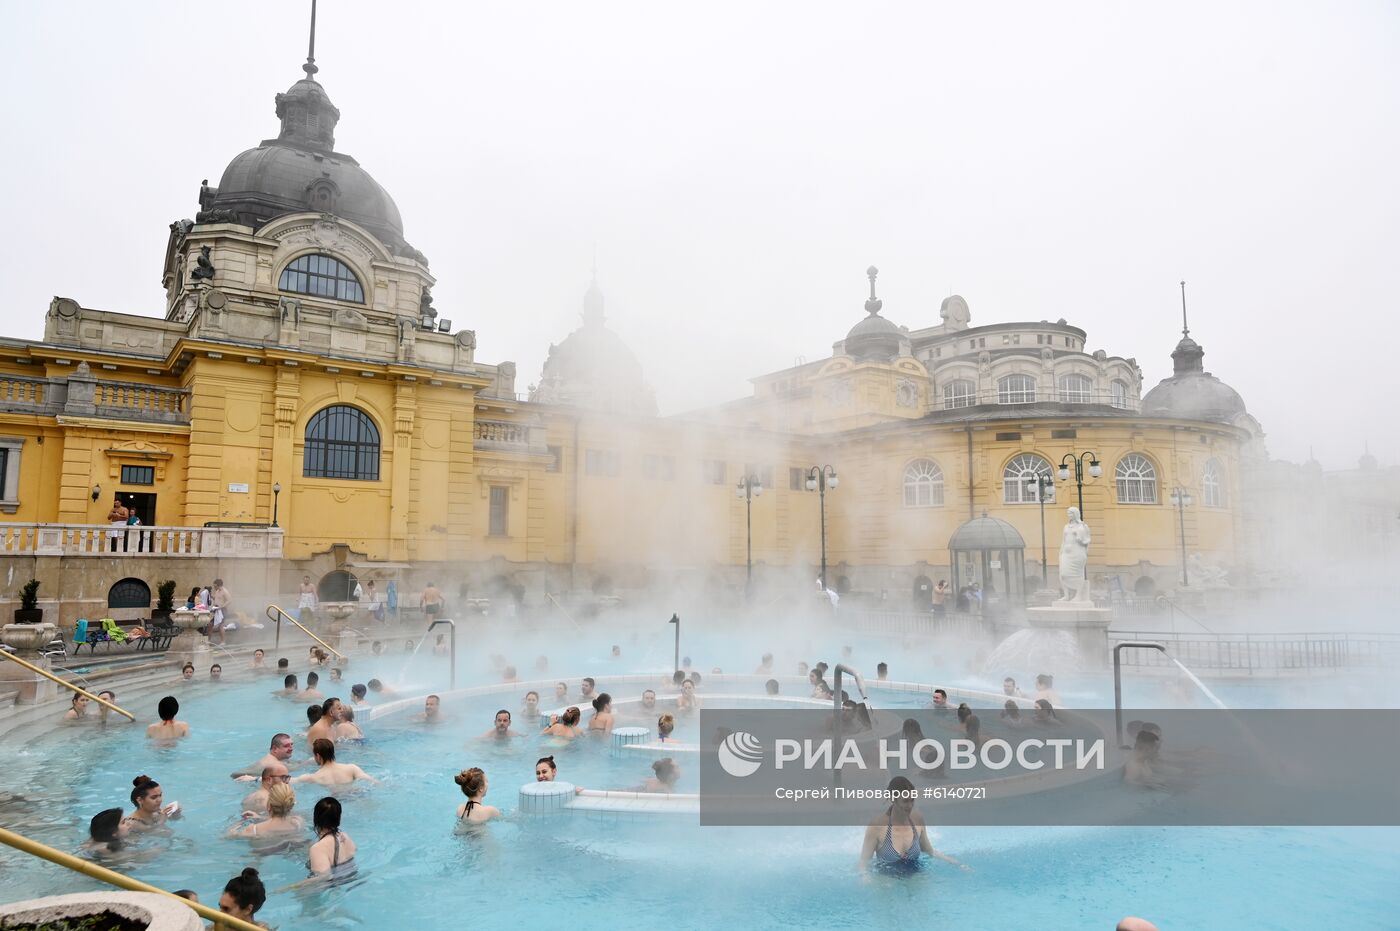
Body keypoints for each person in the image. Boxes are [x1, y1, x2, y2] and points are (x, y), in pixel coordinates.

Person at [858, 776, 968, 874]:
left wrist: (956, 864)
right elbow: (864, 862)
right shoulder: (877, 826)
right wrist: (866, 880)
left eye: (912, 800)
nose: (910, 805)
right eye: (905, 801)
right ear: (893, 799)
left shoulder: (917, 820)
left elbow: (929, 851)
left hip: (915, 879)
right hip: (887, 883)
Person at [306, 797, 357, 881]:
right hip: (354, 879)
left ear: (315, 819)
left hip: (335, 888)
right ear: (339, 818)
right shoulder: (345, 837)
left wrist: (291, 887)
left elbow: (322, 879)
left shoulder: (318, 848)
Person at [230, 783, 303, 840]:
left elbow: (228, 836)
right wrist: (260, 817)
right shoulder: (297, 822)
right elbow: (279, 823)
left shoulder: (253, 830)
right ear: (291, 805)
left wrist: (239, 821)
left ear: (269, 806)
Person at [294, 738, 378, 786]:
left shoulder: (314, 777)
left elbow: (291, 781)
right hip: (356, 793)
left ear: (318, 756)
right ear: (333, 752)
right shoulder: (351, 768)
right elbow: (373, 781)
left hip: (337, 801)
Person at [231, 733, 296, 779]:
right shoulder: (274, 765)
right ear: (275, 749)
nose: (291, 748)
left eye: (291, 745)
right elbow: (235, 775)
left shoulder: (273, 758)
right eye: (286, 746)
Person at [210, 578, 231, 646]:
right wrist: (210, 596)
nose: (214, 587)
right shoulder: (217, 591)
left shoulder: (225, 591)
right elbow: (217, 598)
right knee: (210, 625)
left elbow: (229, 600)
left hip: (222, 610)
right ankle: (208, 640)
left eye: (215, 586)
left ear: (219, 585)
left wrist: (222, 606)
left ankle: (223, 641)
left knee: (220, 626)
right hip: (216, 609)